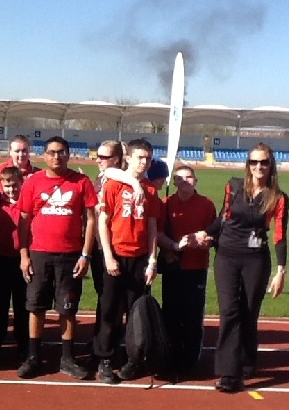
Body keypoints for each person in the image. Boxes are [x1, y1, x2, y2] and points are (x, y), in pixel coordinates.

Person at [195, 143, 288, 393]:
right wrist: (205, 233)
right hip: (227, 256)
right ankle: (229, 372)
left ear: (271, 166)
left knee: (248, 313)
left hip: (256, 260)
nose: (259, 167)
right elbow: (224, 218)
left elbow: (279, 235)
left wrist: (281, 271)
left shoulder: (278, 198)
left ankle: (247, 362)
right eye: (254, 162)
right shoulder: (233, 186)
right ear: (248, 165)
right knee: (230, 312)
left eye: (264, 162)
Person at [16, 136, 98, 380]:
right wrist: (24, 254)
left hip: (70, 255)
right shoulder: (33, 183)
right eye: (52, 152)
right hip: (39, 254)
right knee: (36, 307)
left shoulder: (81, 182)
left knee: (67, 309)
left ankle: (67, 359)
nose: (56, 156)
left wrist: (86, 255)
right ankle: (33, 357)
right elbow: (23, 220)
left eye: (61, 152)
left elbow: (91, 219)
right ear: (44, 155)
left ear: (69, 154)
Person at [94, 138, 161, 384]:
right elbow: (103, 221)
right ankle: (105, 359)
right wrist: (108, 255)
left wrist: (153, 260)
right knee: (110, 310)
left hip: (140, 258)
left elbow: (152, 227)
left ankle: (132, 358)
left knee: (136, 313)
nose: (144, 163)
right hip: (117, 255)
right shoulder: (113, 185)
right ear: (129, 158)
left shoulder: (151, 190)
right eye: (140, 157)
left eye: (148, 158)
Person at [87, 140, 143, 368]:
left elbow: (117, 173)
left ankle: (110, 346)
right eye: (98, 156)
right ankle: (102, 346)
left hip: (115, 246)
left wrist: (136, 185)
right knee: (107, 301)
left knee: (117, 302)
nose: (98, 160)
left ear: (118, 159)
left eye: (104, 156)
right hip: (100, 247)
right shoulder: (104, 177)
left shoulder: (116, 176)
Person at [157, 166, 216, 378]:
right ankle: (171, 354)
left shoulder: (207, 204)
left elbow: (214, 235)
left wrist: (204, 243)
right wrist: (170, 248)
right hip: (174, 266)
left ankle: (191, 359)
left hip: (196, 266)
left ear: (196, 180)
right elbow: (158, 233)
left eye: (188, 177)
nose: (184, 181)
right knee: (171, 314)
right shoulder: (167, 203)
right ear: (174, 182)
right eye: (179, 178)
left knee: (192, 315)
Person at [0, 166, 28, 360]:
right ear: (1, 185)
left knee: (23, 304)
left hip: (22, 259)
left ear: (21, 183)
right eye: (7, 186)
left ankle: (24, 344)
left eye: (14, 185)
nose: (11, 190)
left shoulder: (28, 203)